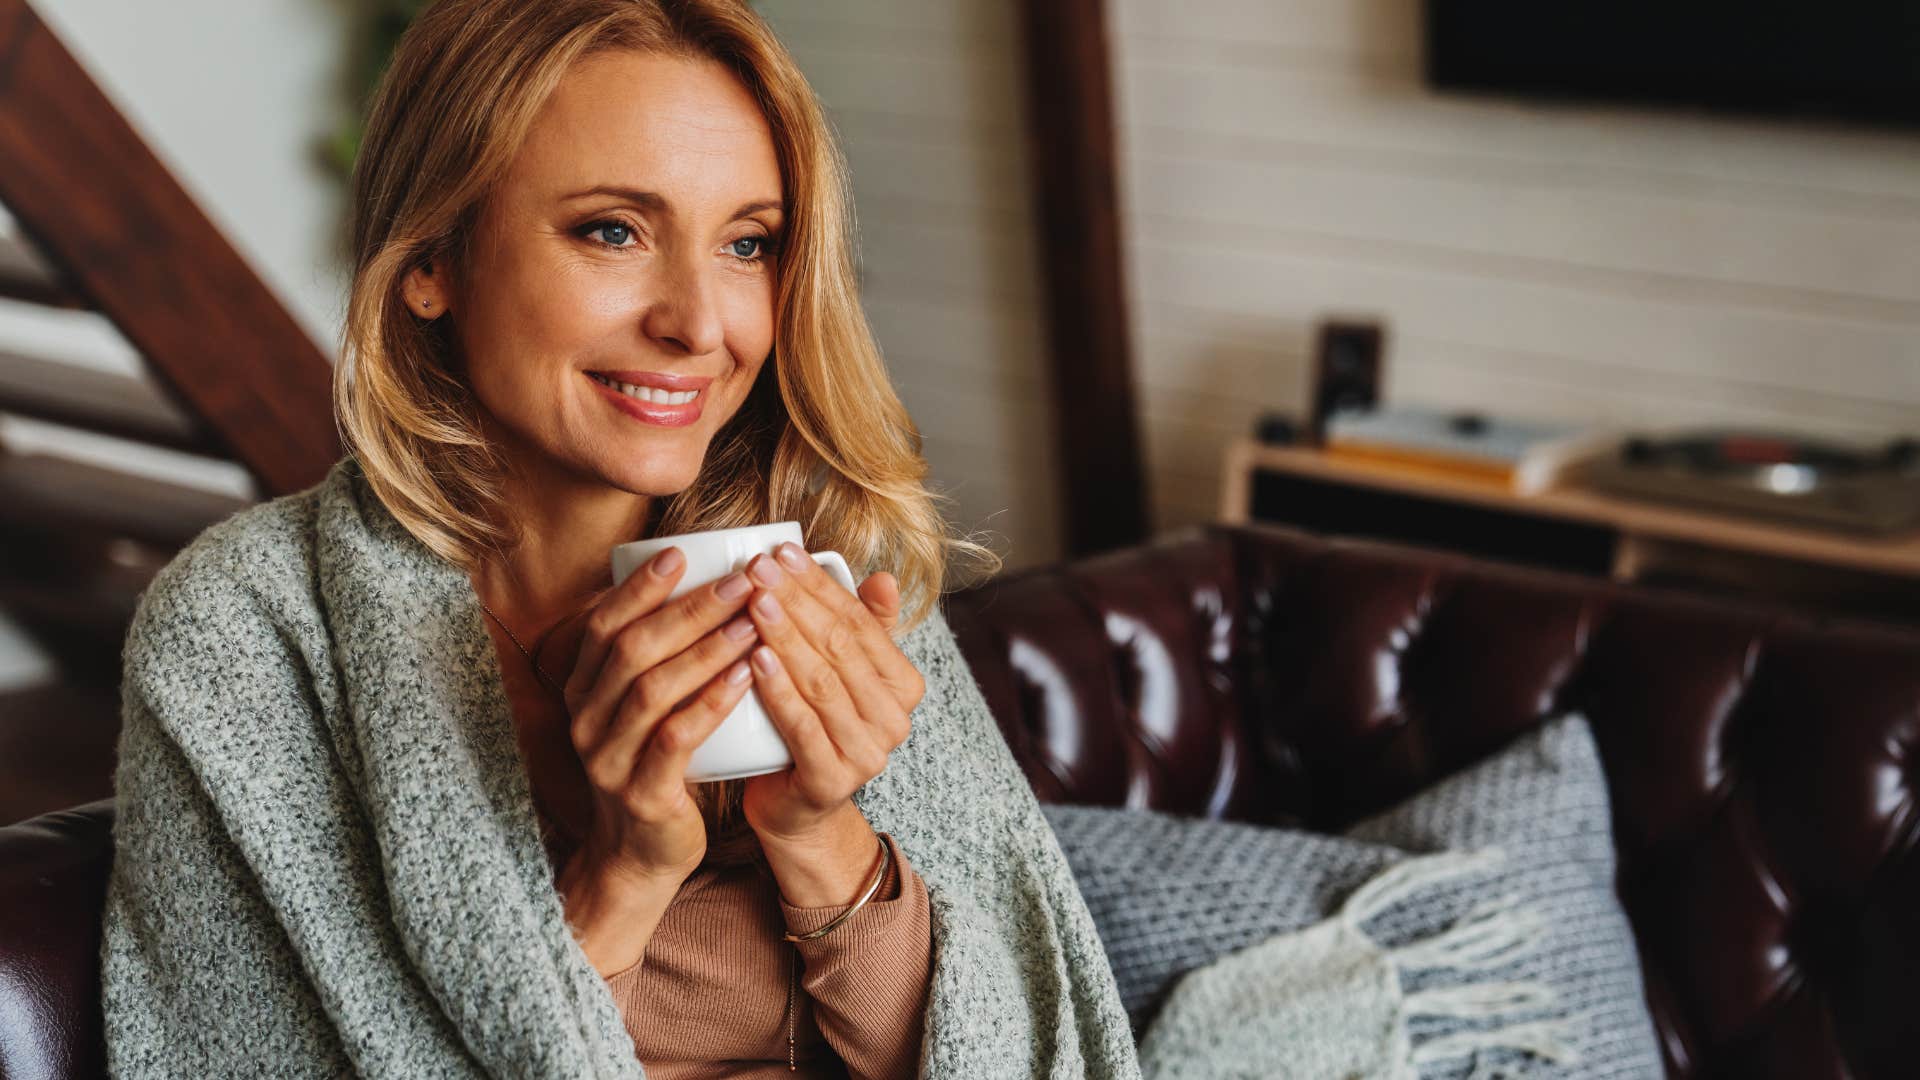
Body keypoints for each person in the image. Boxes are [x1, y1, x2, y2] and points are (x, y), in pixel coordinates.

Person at [98, 2, 1140, 1078]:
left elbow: (1024, 1049)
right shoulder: (247, 639)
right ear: (432, 259)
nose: (698, 322)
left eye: (748, 243)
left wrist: (820, 837)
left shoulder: (832, 560)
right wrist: (625, 874)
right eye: (614, 231)